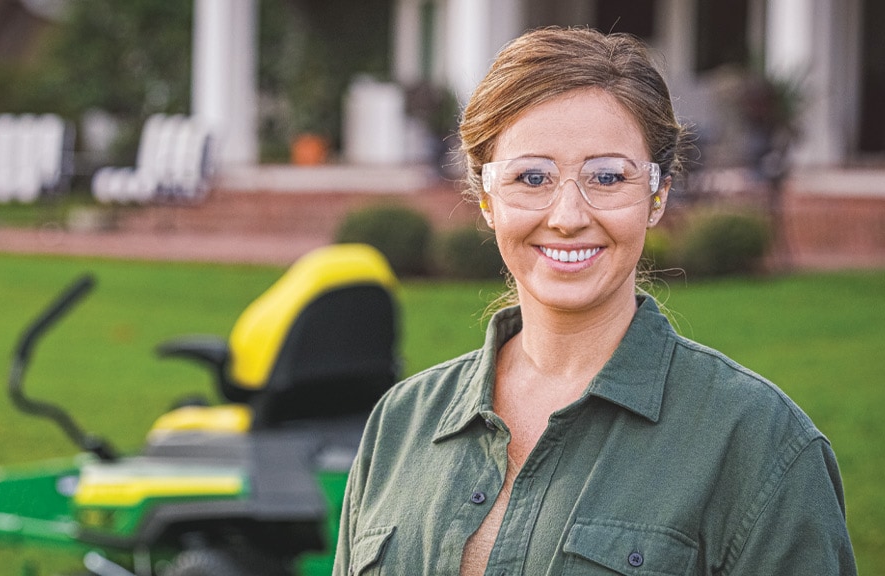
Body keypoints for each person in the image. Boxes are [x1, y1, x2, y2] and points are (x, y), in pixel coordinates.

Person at [333, 26, 857, 575]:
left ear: (657, 195)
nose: (567, 217)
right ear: (486, 198)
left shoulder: (760, 444)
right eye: (532, 177)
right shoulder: (400, 422)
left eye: (606, 177)